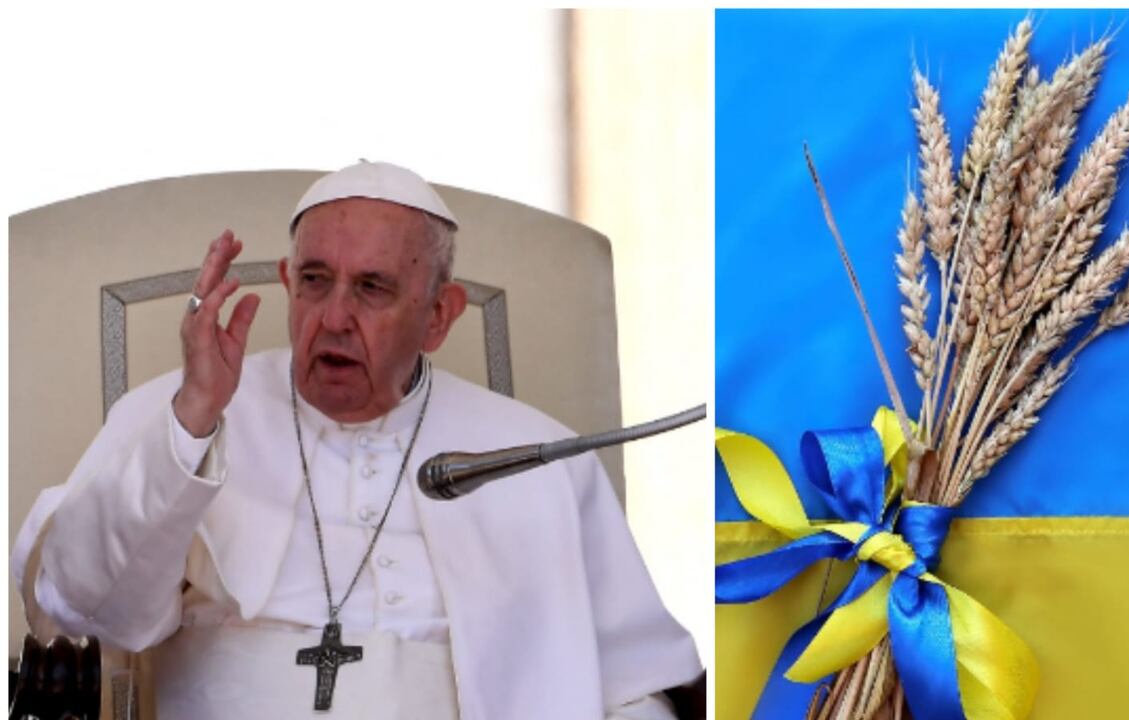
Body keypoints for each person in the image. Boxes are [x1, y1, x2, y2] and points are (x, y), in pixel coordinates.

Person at [11, 161, 702, 718]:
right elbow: (81, 605)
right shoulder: (183, 408)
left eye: (372, 288)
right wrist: (193, 421)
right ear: (287, 282)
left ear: (439, 316)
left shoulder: (537, 457)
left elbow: (637, 683)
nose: (334, 317)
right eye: (315, 281)